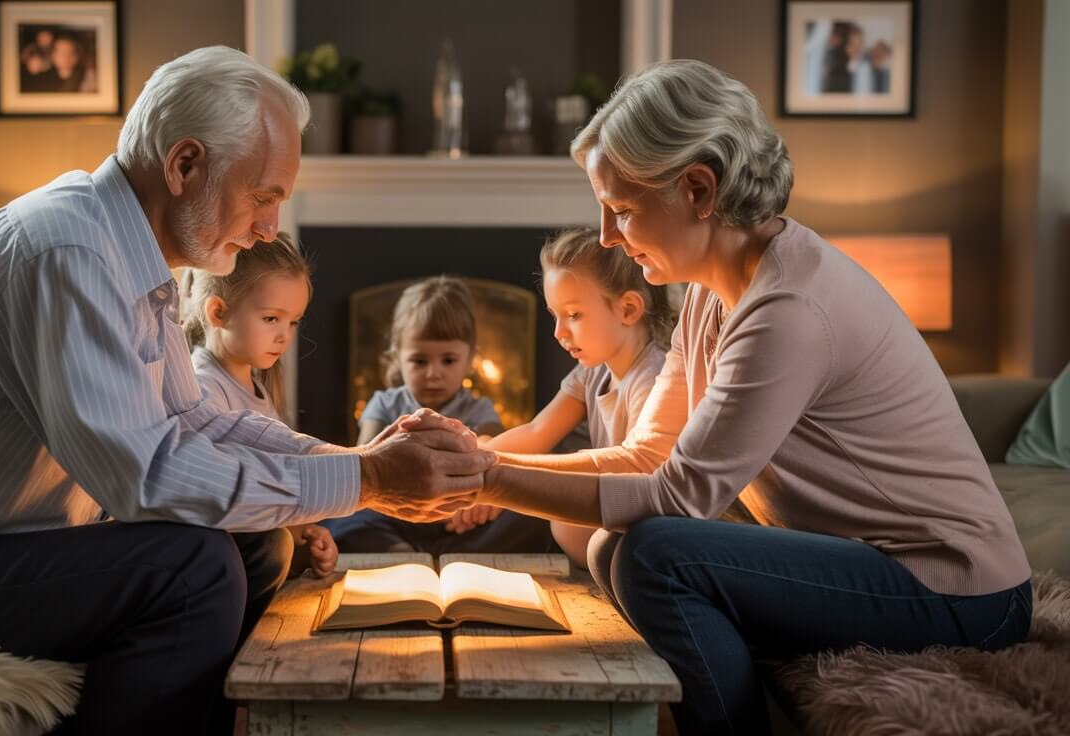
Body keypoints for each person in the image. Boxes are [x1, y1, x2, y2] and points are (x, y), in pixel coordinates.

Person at [0, 46, 491, 735]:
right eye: (262, 197)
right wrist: (367, 480)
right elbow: (147, 474)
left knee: (258, 545)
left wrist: (351, 460)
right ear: (184, 164)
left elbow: (195, 421)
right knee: (193, 567)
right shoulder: (66, 250)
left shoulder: (131, 261)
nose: (269, 229)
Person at [408, 59, 1032, 734]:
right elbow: (647, 455)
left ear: (699, 189)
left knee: (656, 554)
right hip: (874, 563)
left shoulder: (787, 309)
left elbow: (680, 497)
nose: (608, 236)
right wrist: (485, 463)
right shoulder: (710, 293)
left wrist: (486, 480)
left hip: (956, 589)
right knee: (611, 547)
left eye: (622, 210)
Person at [463, 227, 671, 568]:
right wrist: (470, 463)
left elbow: (637, 473)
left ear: (628, 309)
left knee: (556, 514)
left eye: (573, 315)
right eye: (554, 315)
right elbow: (537, 431)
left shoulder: (653, 378)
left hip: (645, 519)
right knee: (532, 505)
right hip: (608, 515)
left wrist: (490, 477)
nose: (559, 333)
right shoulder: (593, 370)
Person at [323, 276, 552, 555]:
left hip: (460, 520)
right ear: (397, 357)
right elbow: (364, 462)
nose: (433, 373)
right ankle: (404, 550)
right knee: (341, 517)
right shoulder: (383, 405)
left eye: (448, 360)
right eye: (420, 361)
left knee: (531, 513)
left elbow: (491, 455)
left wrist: (482, 499)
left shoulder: (479, 409)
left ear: (470, 360)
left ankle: (442, 554)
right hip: (397, 515)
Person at [177, 235, 338, 579]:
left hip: (255, 538)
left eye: (293, 322)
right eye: (270, 319)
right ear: (219, 312)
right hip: (217, 550)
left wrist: (305, 532)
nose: (285, 336)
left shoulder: (257, 387)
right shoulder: (202, 388)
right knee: (271, 545)